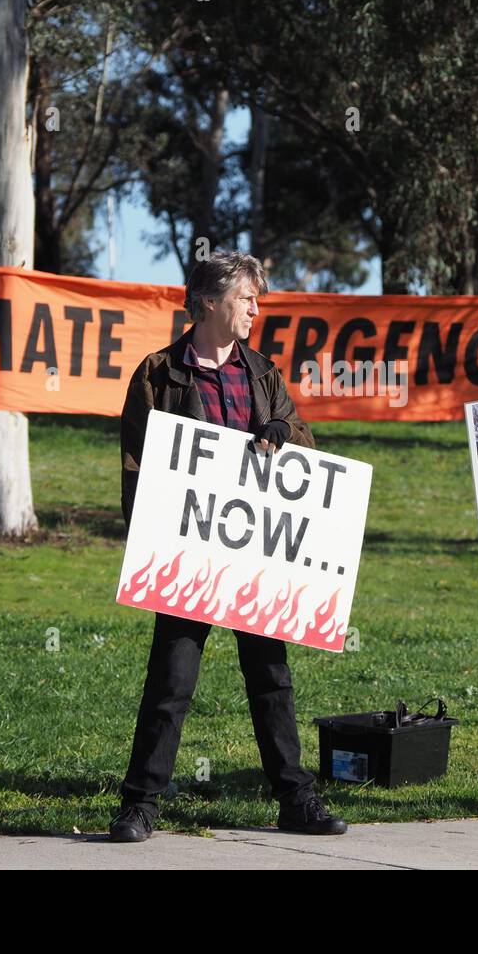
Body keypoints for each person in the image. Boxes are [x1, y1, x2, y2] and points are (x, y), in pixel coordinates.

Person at [110, 251, 347, 842]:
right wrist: (154, 544)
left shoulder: (262, 372)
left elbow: (303, 443)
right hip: (188, 555)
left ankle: (296, 800)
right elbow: (137, 464)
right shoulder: (159, 373)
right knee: (171, 681)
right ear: (210, 302)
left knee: (272, 678)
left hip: (257, 555)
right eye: (247, 299)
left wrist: (281, 434)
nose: (255, 310)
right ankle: (140, 805)